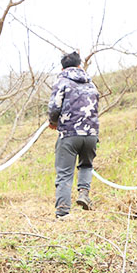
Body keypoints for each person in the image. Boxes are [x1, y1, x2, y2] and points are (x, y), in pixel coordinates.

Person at [47, 51, 99, 219]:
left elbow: (55, 107)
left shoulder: (61, 82)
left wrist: (53, 122)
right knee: (86, 165)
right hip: (91, 134)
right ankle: (84, 193)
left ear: (63, 67)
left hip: (69, 134)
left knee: (64, 173)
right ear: (79, 66)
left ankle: (62, 212)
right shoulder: (91, 84)